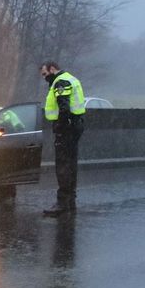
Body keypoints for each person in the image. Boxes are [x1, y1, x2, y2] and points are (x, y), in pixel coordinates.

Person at [41, 60, 86, 216]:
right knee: (71, 163)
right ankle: (70, 200)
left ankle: (62, 202)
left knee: (63, 165)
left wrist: (60, 127)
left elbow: (64, 107)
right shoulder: (72, 78)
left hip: (67, 128)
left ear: (52, 69)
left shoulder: (61, 82)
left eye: (45, 74)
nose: (45, 78)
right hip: (76, 125)